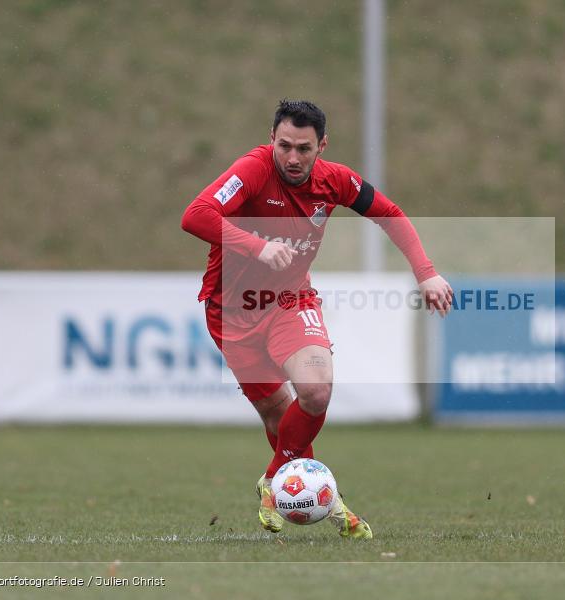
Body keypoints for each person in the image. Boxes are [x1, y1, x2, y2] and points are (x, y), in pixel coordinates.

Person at [181, 99, 453, 539]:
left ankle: (277, 481)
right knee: (277, 413)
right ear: (271, 139)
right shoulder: (252, 170)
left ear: (322, 145)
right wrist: (257, 246)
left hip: (291, 300)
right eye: (284, 145)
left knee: (314, 391)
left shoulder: (336, 181)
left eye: (304, 149)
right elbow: (195, 215)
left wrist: (426, 273)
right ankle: (320, 494)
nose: (292, 157)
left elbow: (390, 214)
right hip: (232, 312)